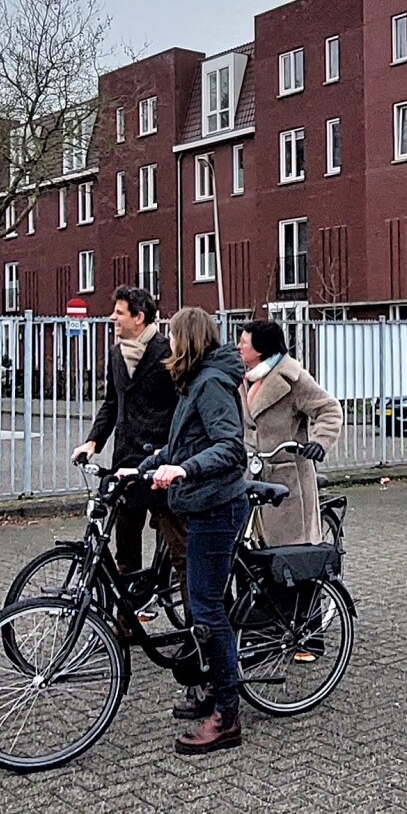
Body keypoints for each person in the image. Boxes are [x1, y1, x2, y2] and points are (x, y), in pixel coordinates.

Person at [135, 307, 249, 756]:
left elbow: (229, 448)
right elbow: (185, 441)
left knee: (205, 608)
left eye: (173, 336)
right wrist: (142, 467)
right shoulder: (194, 382)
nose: (168, 345)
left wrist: (183, 469)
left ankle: (227, 714)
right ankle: (210, 686)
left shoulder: (212, 383)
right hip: (201, 503)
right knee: (205, 605)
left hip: (216, 507)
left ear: (190, 340)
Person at [71, 286, 183, 593]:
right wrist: (92, 442)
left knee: (180, 552)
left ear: (139, 317)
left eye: (119, 313)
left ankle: (195, 632)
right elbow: (111, 403)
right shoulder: (115, 353)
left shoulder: (168, 352)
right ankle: (124, 629)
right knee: (125, 554)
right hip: (125, 466)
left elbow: (181, 406)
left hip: (161, 466)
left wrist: (171, 451)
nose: (112, 318)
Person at [237, 320, 344, 544]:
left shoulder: (293, 378)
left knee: (288, 549)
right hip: (252, 474)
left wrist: (319, 442)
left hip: (287, 478)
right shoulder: (243, 378)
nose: (238, 347)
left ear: (261, 348)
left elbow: (329, 409)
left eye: (243, 342)